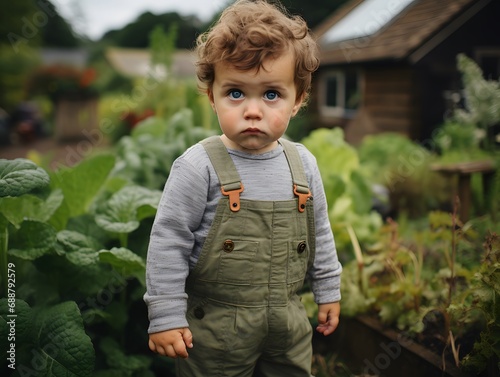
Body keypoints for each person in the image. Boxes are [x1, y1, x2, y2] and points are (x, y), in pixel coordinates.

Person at [144, 0, 342, 375]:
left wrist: (328, 290)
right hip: (215, 330)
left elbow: (320, 234)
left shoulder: (303, 165)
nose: (253, 110)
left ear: (298, 100)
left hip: (288, 323)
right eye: (236, 92)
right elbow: (168, 242)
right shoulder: (198, 166)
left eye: (271, 94)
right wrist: (166, 316)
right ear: (212, 97)